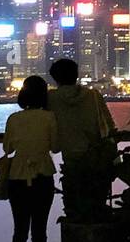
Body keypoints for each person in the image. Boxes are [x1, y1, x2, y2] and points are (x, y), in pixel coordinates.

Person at [2, 75, 59, 242]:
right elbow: (55, 147)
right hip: (43, 176)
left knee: (20, 230)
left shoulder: (14, 119)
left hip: (17, 177)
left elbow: (7, 149)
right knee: (39, 230)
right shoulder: (50, 117)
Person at [46, 57, 116, 213]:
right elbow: (109, 126)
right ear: (76, 75)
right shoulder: (93, 96)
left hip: (70, 161)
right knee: (97, 209)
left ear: (55, 78)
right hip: (96, 158)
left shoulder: (51, 98)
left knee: (74, 210)